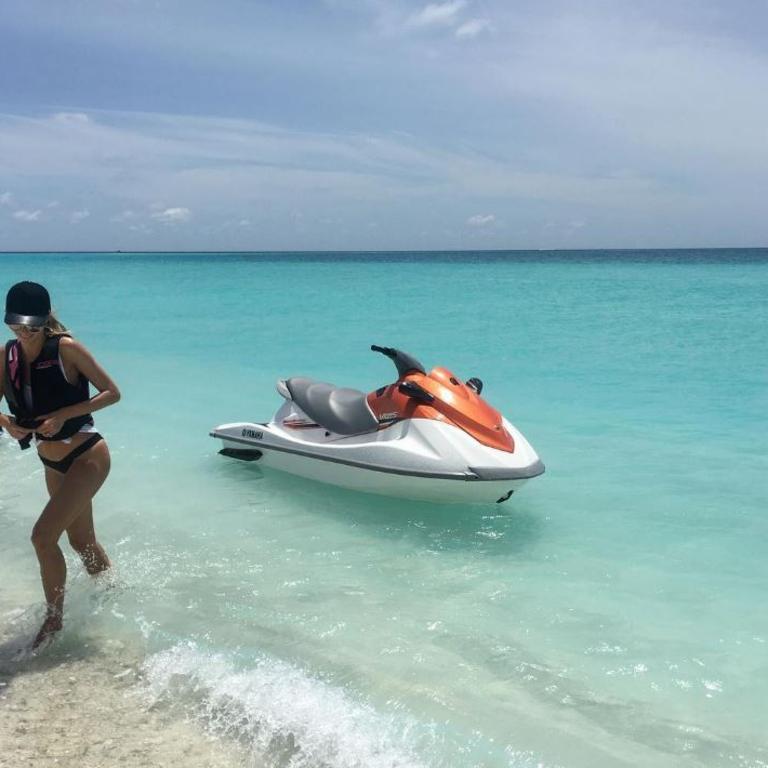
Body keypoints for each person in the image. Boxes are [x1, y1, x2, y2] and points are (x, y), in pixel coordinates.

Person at [0, 281, 121, 648]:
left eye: (32, 328)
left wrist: (65, 413)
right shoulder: (7, 358)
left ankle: (54, 623)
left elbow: (112, 393)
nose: (25, 334)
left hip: (87, 456)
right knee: (82, 541)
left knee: (42, 537)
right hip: (52, 462)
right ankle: (114, 597)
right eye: (17, 327)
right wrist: (8, 423)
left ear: (44, 320)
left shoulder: (66, 349)